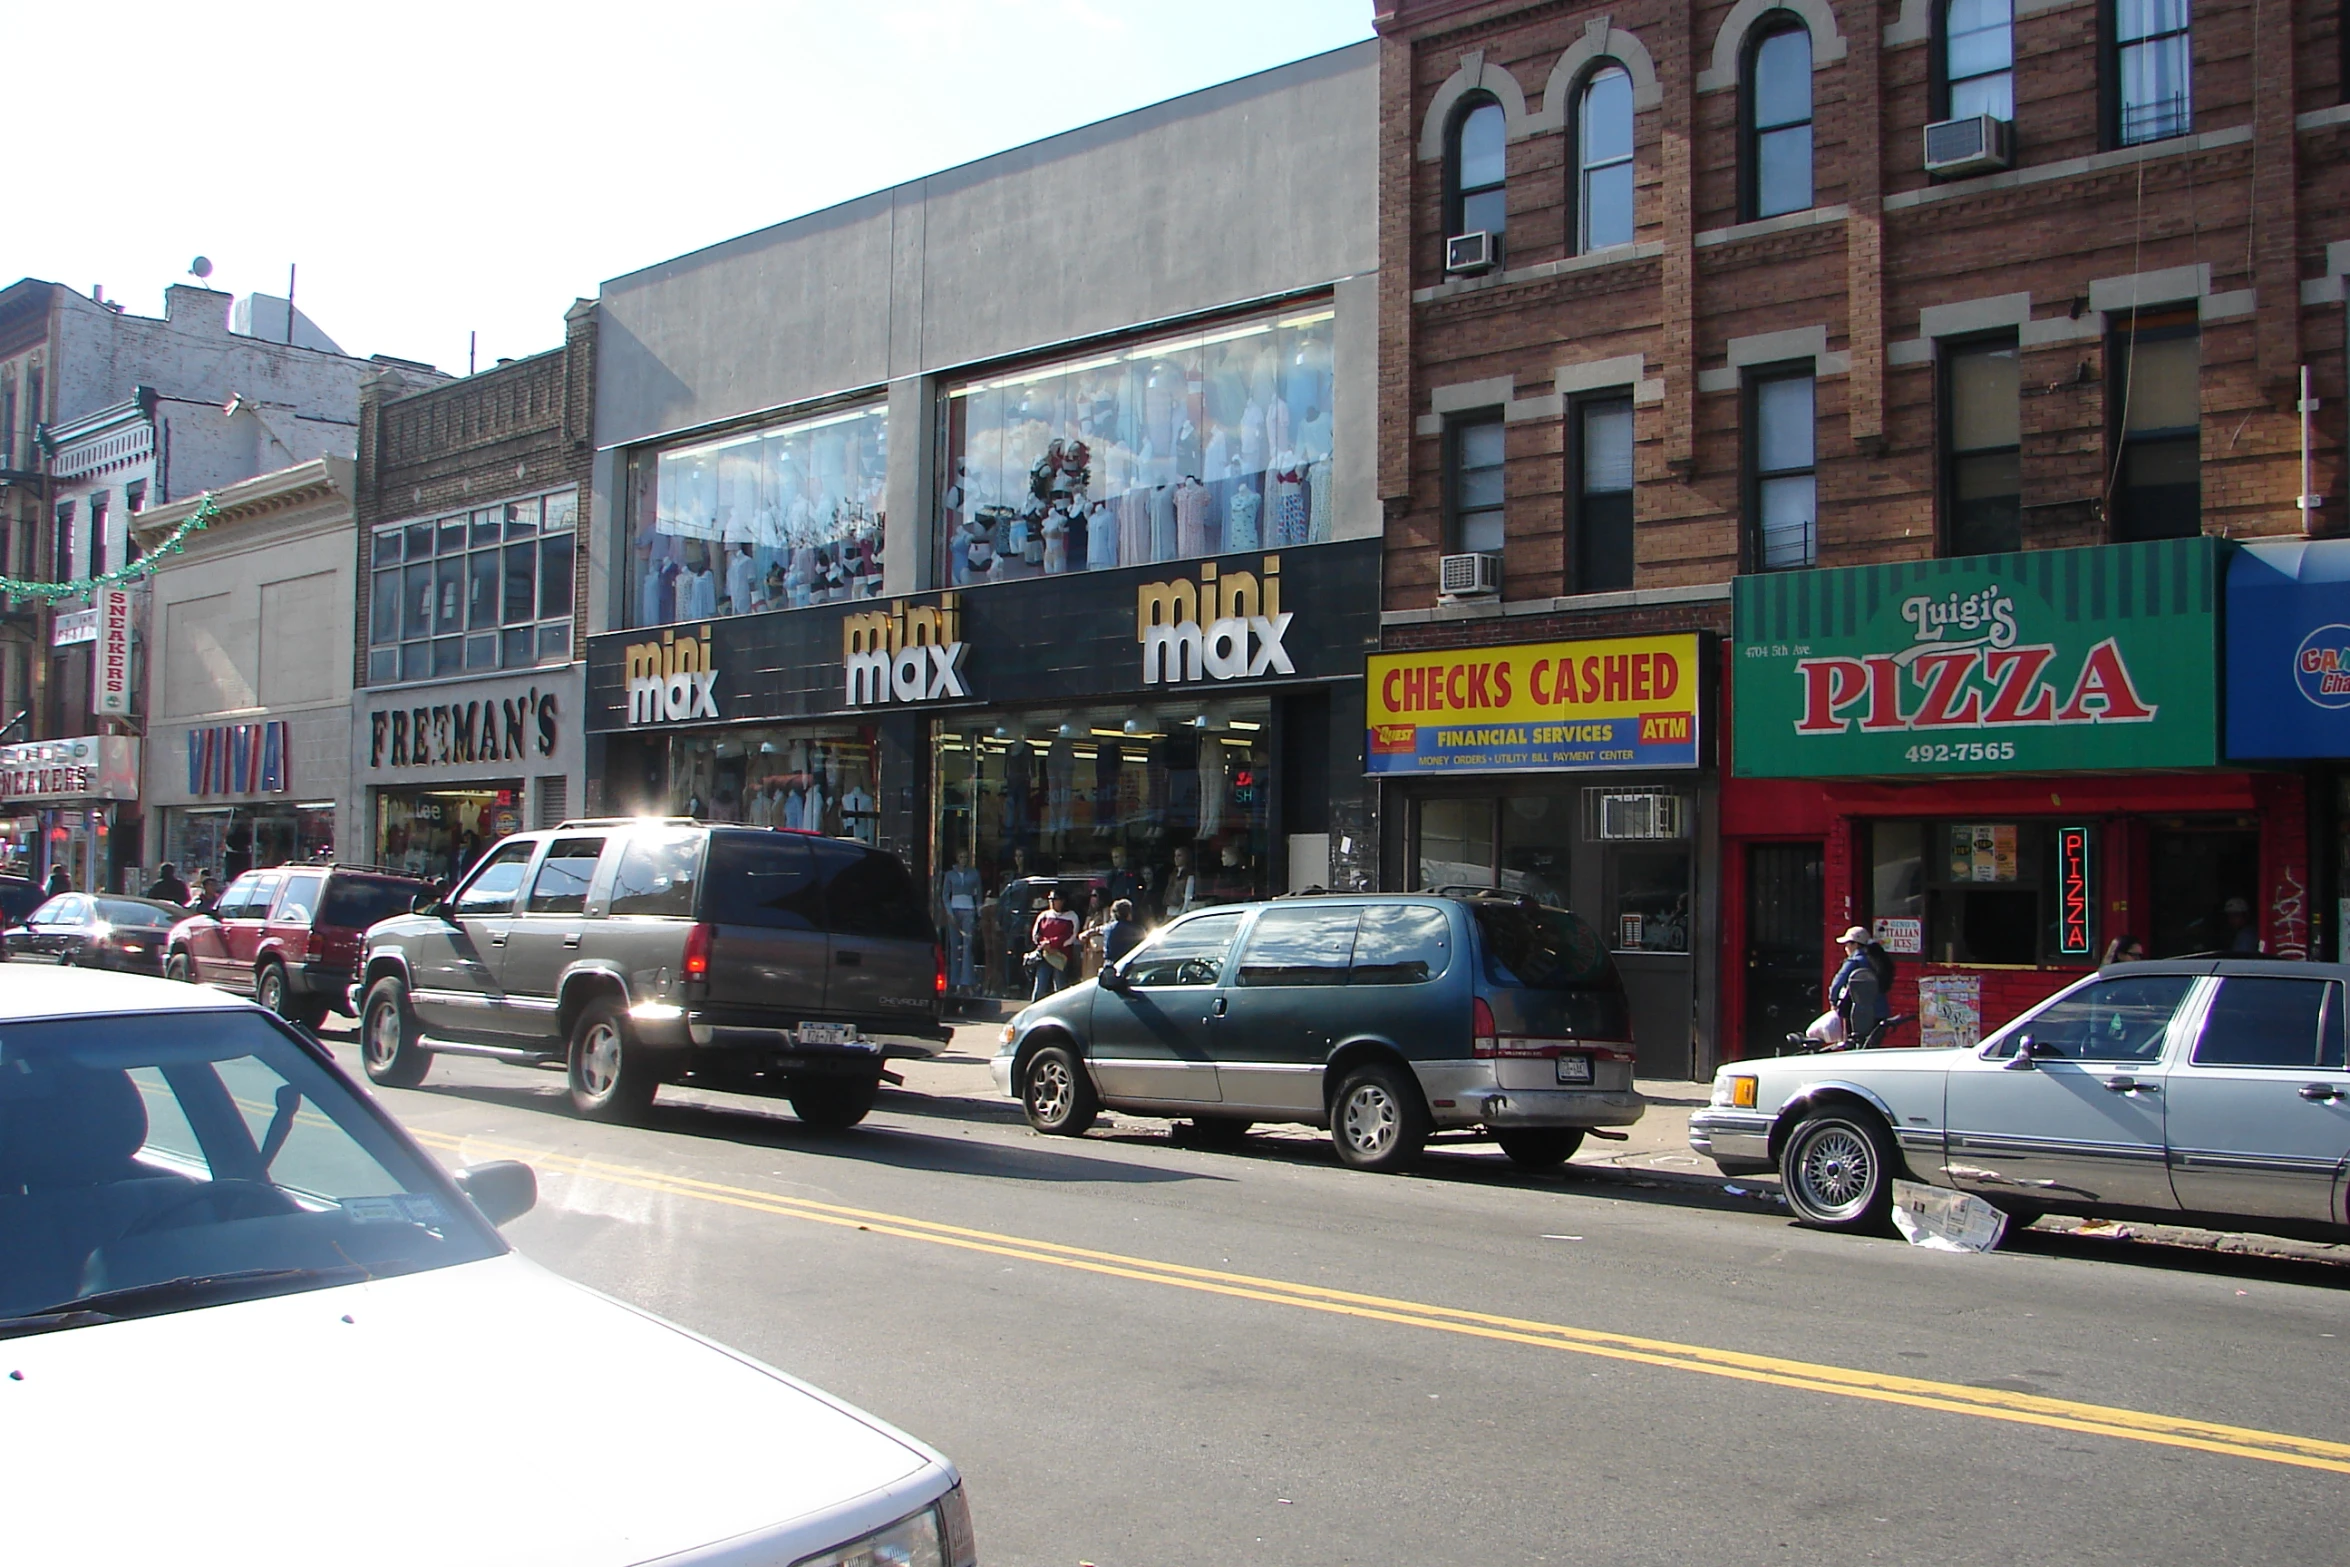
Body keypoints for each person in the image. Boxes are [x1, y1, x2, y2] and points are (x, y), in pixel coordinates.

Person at [1829, 925, 1889, 1045]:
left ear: (1855, 945)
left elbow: (1837, 982)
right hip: (1880, 1011)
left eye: (1847, 944)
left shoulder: (1855, 961)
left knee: (1855, 1047)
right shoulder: (1879, 959)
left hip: (1858, 1014)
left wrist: (1833, 1001)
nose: (1845, 948)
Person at [1029, 888, 1079, 1000]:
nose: (1051, 901)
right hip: (1045, 955)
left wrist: (1053, 944)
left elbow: (1071, 936)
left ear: (1063, 901)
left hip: (1060, 956)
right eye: (1050, 899)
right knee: (1040, 985)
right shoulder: (1044, 916)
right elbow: (1036, 934)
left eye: (1055, 899)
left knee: (1060, 986)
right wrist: (1044, 944)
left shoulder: (1072, 916)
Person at [1101, 898, 1146, 970]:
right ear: (1129, 914)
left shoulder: (1107, 928)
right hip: (1128, 967)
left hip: (1110, 966)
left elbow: (1101, 929)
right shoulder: (1138, 931)